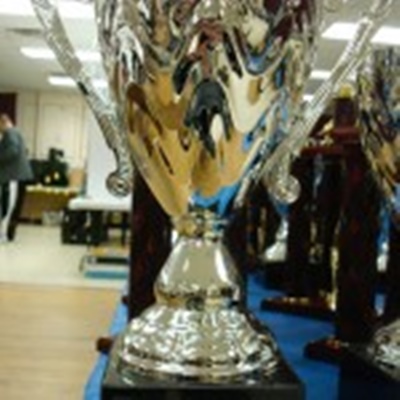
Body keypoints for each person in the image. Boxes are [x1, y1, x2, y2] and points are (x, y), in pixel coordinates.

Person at [0, 113, 33, 242]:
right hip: (19, 175)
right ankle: (9, 234)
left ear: (3, 123)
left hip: (13, 176)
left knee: (9, 206)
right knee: (15, 207)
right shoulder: (17, 132)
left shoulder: (10, 133)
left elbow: (12, 151)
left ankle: (4, 235)